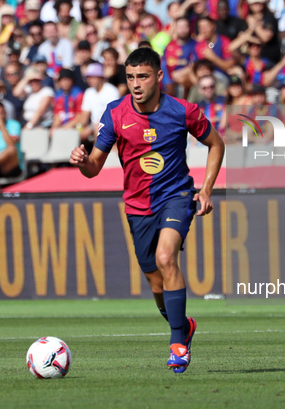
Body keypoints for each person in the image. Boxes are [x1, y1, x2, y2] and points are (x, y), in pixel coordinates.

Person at [69, 47, 224, 373]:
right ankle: (184, 326)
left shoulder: (183, 111)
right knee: (156, 283)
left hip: (177, 196)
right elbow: (95, 167)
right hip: (137, 207)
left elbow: (216, 143)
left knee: (167, 258)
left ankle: (177, 345)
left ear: (158, 77)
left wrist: (206, 189)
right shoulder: (114, 113)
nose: (136, 83)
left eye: (142, 76)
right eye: (130, 77)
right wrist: (83, 163)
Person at [76, 62, 120, 142]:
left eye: (93, 77)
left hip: (109, 125)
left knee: (98, 129)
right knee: (74, 133)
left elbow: (112, 116)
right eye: (88, 77)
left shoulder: (111, 91)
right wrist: (79, 128)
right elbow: (84, 116)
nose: (90, 80)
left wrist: (92, 128)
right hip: (93, 125)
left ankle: (96, 154)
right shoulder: (89, 92)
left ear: (101, 77)